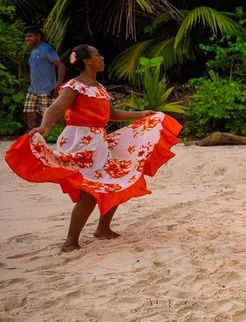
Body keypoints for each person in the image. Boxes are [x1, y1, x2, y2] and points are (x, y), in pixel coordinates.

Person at [4, 44, 182, 252]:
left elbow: (110, 114)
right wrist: (45, 126)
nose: (102, 57)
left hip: (98, 140)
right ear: (87, 61)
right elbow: (57, 107)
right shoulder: (75, 86)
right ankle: (71, 241)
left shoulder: (98, 87)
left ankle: (103, 229)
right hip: (81, 141)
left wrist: (140, 114)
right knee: (89, 192)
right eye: (97, 55)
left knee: (118, 180)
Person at [23, 26, 65, 131]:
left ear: (38, 36)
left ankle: (70, 135)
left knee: (55, 116)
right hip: (33, 90)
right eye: (26, 36)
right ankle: (33, 140)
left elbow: (61, 65)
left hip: (47, 89)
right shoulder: (33, 51)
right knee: (30, 113)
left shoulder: (46, 49)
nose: (27, 39)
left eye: (30, 36)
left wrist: (58, 84)